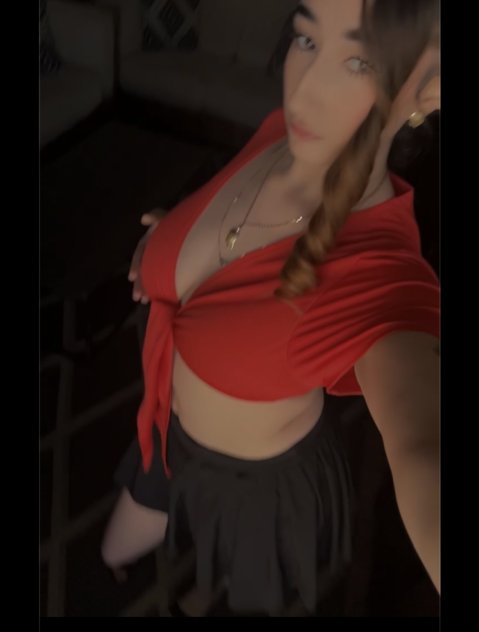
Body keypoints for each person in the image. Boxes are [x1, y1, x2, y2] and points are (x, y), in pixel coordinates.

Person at [101, 0, 440, 617]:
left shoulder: (379, 275)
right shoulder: (280, 135)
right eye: (306, 39)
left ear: (431, 87)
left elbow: (425, 443)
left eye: (359, 61)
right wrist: (172, 238)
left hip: (257, 485)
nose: (304, 90)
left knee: (239, 586)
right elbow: (228, 244)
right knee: (114, 549)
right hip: (168, 426)